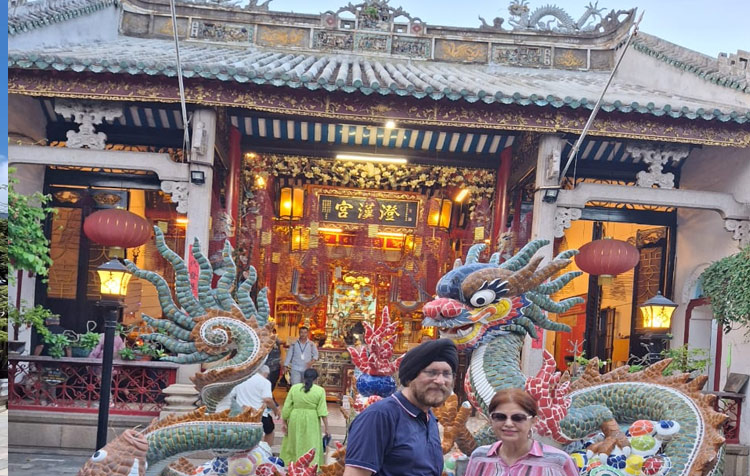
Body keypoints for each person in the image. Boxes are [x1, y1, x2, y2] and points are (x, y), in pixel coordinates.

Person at [343, 338, 458, 476]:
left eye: (446, 374)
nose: (440, 381)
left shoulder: (429, 418)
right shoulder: (379, 417)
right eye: (431, 372)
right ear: (410, 378)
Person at [464, 388, 579, 476]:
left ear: (533, 421)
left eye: (518, 418)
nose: (508, 423)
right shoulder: (479, 457)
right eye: (500, 417)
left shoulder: (558, 462)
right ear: (491, 420)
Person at [215, 365, 280, 446]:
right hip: (259, 414)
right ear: (265, 373)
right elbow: (267, 400)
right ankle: (267, 449)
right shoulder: (265, 382)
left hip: (242, 414)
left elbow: (231, 395)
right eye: (267, 375)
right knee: (269, 431)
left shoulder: (241, 380)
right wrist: (275, 410)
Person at [280, 368, 330, 466]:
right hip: (312, 418)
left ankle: (293, 463)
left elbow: (286, 407)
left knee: (294, 440)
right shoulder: (320, 390)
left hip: (295, 417)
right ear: (316, 379)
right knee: (311, 441)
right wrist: (327, 428)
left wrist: (284, 422)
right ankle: (311, 464)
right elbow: (322, 411)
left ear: (304, 377)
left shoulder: (294, 388)